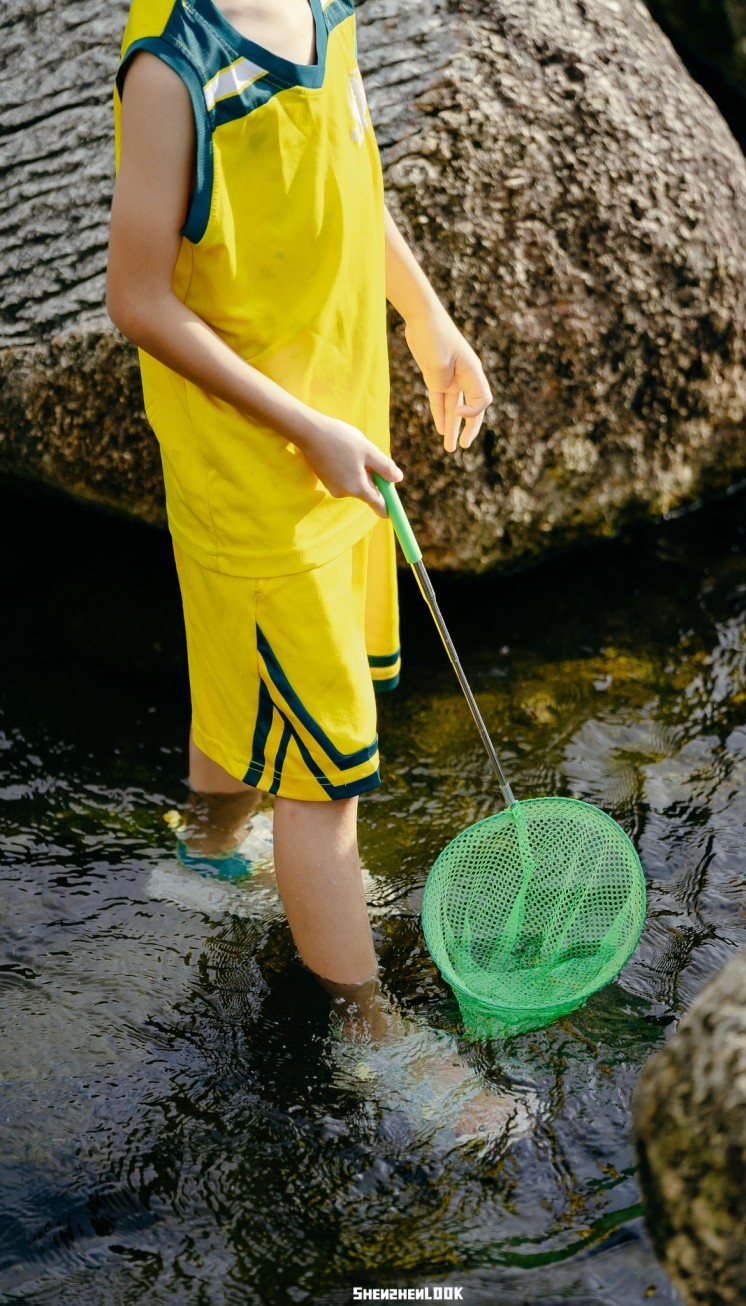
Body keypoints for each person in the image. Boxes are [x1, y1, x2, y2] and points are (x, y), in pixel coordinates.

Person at [106, 0, 492, 999]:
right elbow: (138, 298)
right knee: (326, 789)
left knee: (242, 673)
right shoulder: (172, 69)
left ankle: (201, 857)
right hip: (256, 470)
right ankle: (369, 1035)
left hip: (337, 430)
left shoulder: (327, 10)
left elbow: (350, 182)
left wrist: (429, 319)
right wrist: (305, 431)